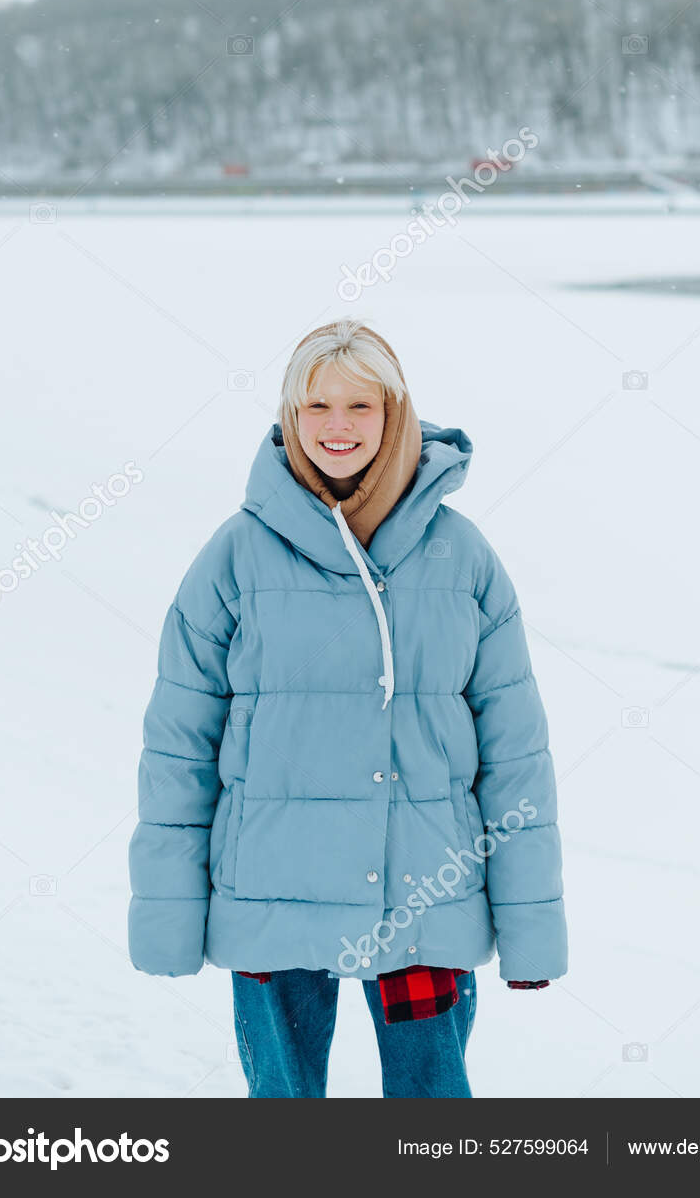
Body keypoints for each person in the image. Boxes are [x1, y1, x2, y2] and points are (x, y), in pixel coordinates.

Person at [128, 319, 568, 1098]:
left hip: (425, 898)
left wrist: (531, 933)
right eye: (316, 406)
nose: (338, 427)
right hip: (271, 895)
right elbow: (179, 747)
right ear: (291, 417)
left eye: (360, 407)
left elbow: (515, 751)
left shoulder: (461, 556)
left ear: (394, 413)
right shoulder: (236, 554)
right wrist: (167, 916)